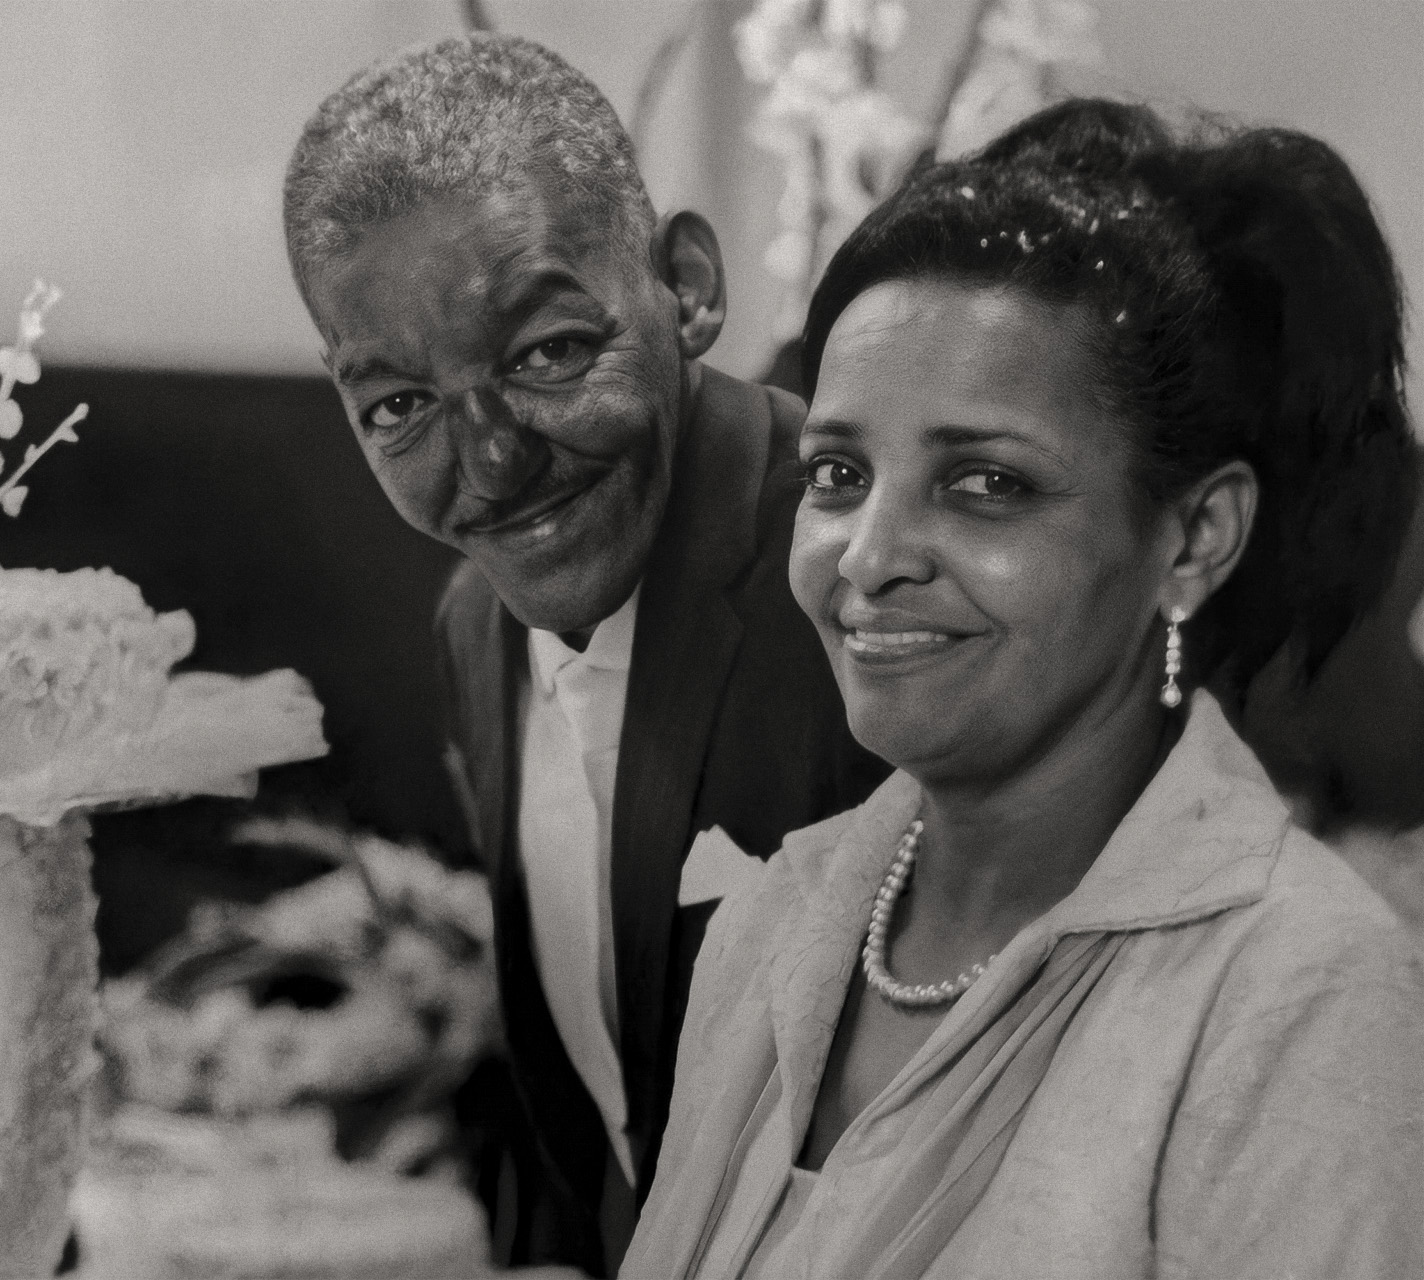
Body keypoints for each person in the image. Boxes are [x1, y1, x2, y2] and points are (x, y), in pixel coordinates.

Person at [625, 99, 1424, 1278]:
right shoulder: (775, 919)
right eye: (838, 471)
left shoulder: (1298, 992)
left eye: (986, 483)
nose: (867, 555)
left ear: (1195, 536)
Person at [282, 34, 885, 1274]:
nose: (492, 460)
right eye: (399, 406)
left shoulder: (859, 580)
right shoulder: (475, 624)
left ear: (687, 287)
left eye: (548, 352)